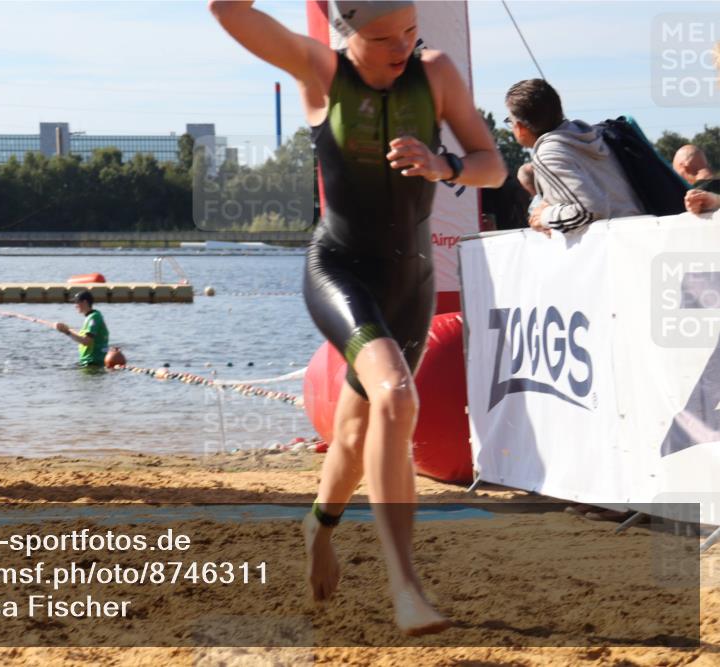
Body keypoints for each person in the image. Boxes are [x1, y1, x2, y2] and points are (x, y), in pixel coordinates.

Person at [211, 0, 505, 636]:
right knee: (396, 395)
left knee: (351, 435)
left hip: (411, 282)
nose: (402, 48)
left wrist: (445, 165)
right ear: (346, 34)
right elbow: (226, 11)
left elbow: (493, 164)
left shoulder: (436, 72)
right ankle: (406, 587)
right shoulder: (319, 69)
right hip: (341, 271)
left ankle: (318, 527)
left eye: (410, 31)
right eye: (384, 38)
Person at [504, 79, 643, 234]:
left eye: (510, 121)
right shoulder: (590, 136)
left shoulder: (549, 155)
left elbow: (591, 209)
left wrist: (544, 216)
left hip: (615, 241)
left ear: (520, 127)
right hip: (641, 231)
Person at [54, 290, 109, 367]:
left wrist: (67, 332)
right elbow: (82, 337)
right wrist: (66, 329)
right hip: (89, 362)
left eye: (77, 302)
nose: (75, 305)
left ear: (85, 302)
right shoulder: (91, 317)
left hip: (93, 362)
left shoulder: (94, 317)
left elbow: (86, 341)